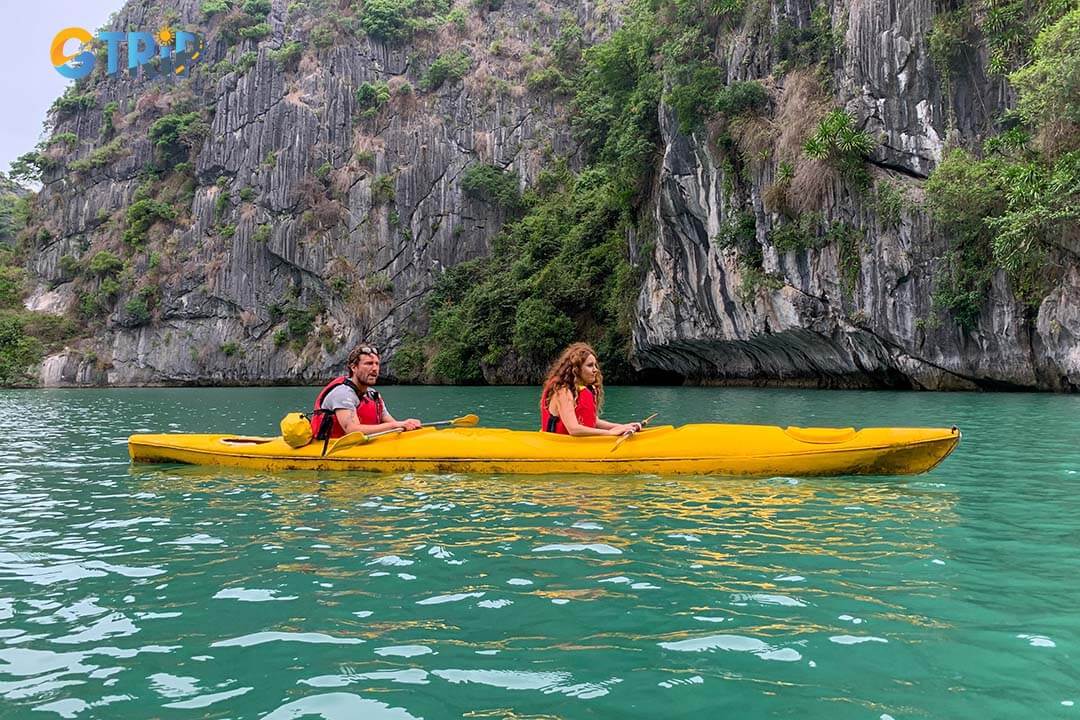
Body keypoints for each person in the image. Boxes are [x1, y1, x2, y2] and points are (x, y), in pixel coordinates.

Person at [310, 343, 422, 440]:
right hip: (332, 447)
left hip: (364, 445)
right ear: (354, 368)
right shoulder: (342, 394)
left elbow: (392, 423)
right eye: (368, 363)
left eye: (377, 364)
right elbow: (352, 430)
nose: (375, 368)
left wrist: (406, 425)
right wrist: (395, 425)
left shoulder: (373, 395)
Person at [539, 342, 642, 436]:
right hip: (560, 445)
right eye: (590, 365)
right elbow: (573, 429)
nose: (595, 370)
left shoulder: (578, 391)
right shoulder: (563, 391)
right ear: (576, 369)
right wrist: (610, 433)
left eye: (595, 365)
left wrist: (622, 427)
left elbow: (594, 422)